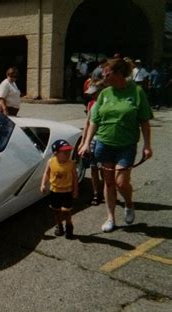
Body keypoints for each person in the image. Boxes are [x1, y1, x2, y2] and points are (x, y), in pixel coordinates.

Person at [79, 58, 153, 233]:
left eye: (107, 74)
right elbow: (94, 122)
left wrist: (147, 145)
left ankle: (128, 203)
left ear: (119, 74)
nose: (104, 77)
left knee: (121, 182)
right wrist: (86, 143)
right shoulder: (105, 94)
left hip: (126, 145)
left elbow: (144, 121)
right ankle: (110, 218)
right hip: (104, 143)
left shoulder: (137, 92)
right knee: (109, 182)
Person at [40, 139, 79, 239]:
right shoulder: (51, 161)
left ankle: (69, 226)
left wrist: (75, 190)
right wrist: (43, 184)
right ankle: (59, 225)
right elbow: (47, 173)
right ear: (56, 153)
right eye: (64, 152)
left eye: (69, 152)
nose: (67, 154)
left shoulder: (71, 164)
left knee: (66, 211)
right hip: (54, 191)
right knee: (56, 211)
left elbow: (75, 178)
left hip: (67, 192)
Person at [80, 81, 105, 205]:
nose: (93, 96)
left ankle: (106, 190)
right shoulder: (91, 104)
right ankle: (96, 193)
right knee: (93, 167)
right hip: (93, 139)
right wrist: (84, 142)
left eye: (95, 94)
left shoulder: (107, 103)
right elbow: (87, 124)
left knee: (103, 168)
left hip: (103, 138)